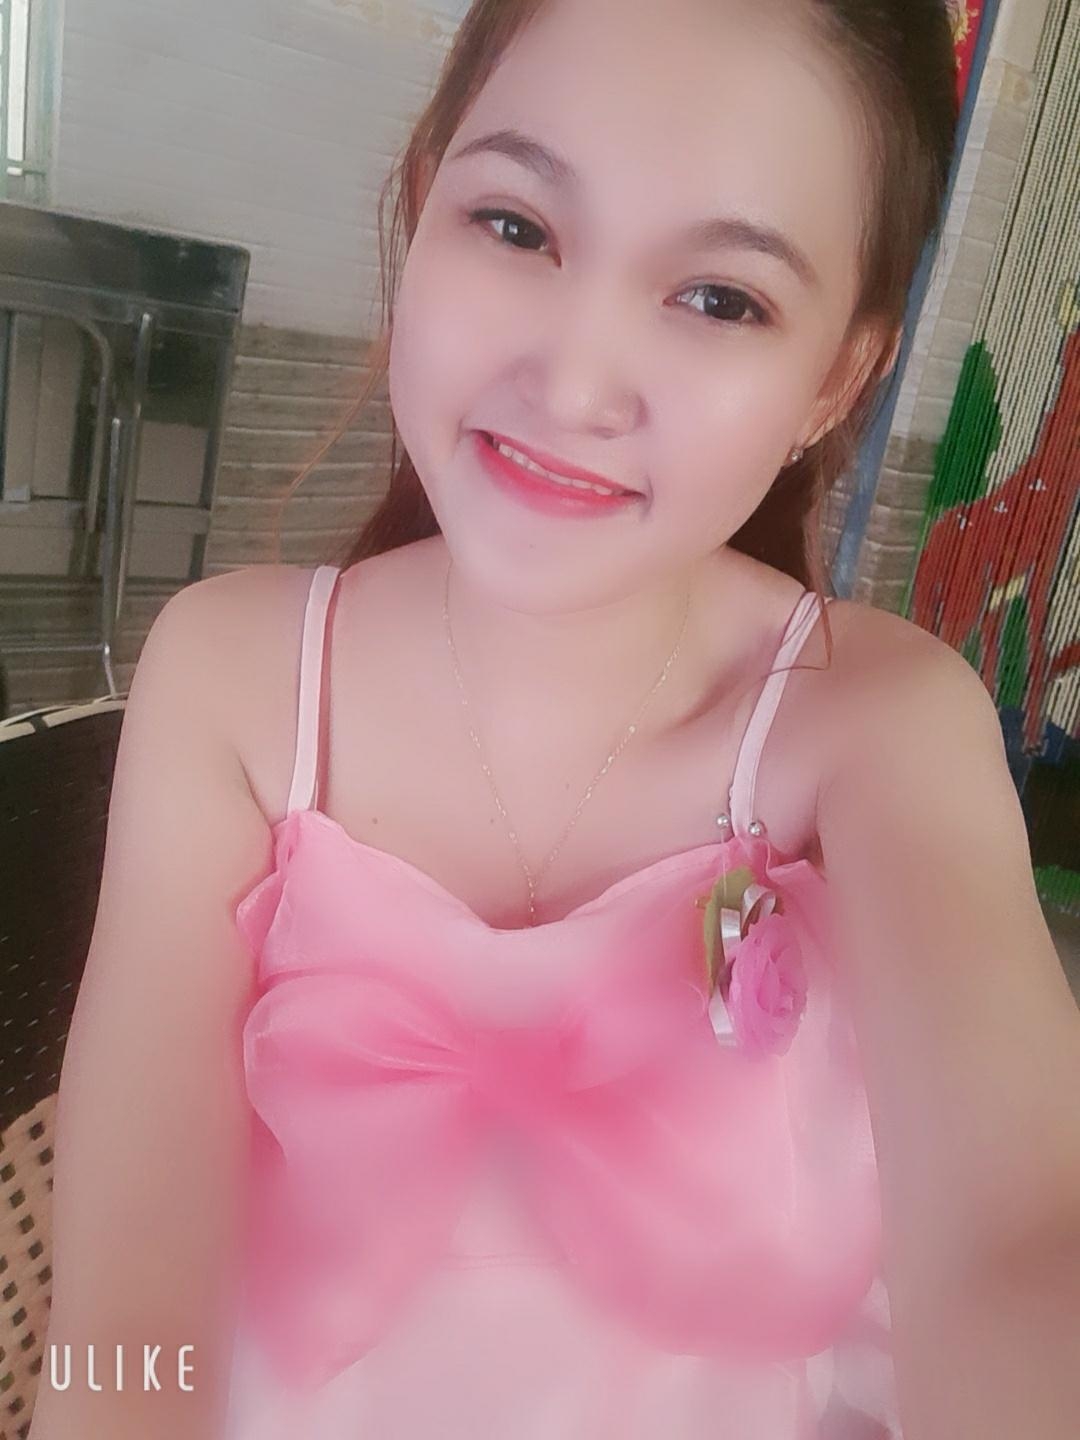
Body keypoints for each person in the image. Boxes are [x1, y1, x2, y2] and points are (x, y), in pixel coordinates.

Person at [28, 1, 1080, 1437]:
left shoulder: (876, 730)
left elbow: (1021, 1232)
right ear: (424, 202)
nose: (572, 384)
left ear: (837, 376)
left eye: (722, 300)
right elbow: (120, 1318)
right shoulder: (235, 680)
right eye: (517, 227)